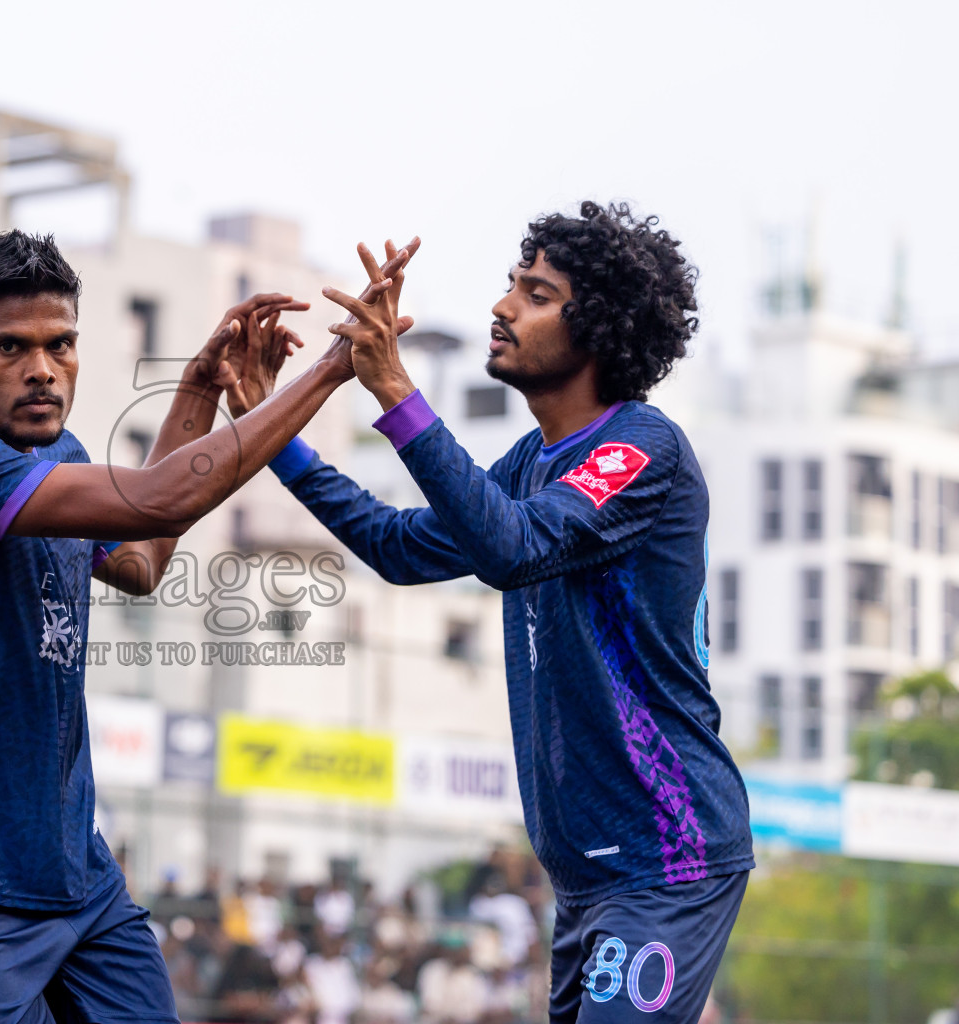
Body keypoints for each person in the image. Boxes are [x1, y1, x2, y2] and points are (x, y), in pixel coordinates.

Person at [0, 228, 416, 1024]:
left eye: (61, 345)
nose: (42, 369)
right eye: (10, 347)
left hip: (71, 872)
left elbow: (144, 557)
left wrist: (197, 391)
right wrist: (331, 370)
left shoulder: (64, 453)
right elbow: (158, 499)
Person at [234, 203, 754, 1022]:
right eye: (512, 285)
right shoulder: (527, 465)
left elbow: (515, 547)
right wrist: (269, 433)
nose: (502, 306)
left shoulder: (641, 450)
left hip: (667, 855)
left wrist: (397, 390)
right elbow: (400, 548)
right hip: (587, 879)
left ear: (599, 328)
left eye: (536, 293)